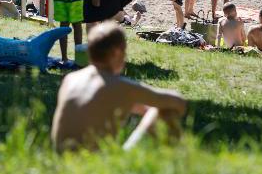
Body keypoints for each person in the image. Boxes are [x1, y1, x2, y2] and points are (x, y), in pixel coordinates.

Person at [51, 23, 187, 152]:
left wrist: (143, 108)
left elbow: (103, 102)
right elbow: (178, 101)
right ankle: (178, 161)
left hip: (64, 165)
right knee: (165, 110)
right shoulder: (122, 87)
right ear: (117, 53)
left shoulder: (70, 79)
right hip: (98, 167)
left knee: (153, 109)